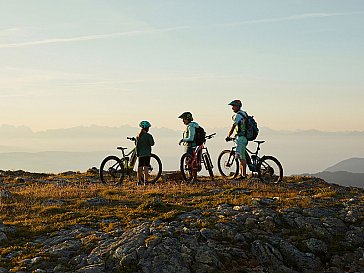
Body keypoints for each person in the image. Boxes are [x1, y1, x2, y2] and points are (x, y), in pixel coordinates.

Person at [226, 100, 248, 180]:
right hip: (243, 137)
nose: (232, 108)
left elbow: (233, 126)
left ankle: (243, 175)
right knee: (241, 156)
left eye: (233, 106)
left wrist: (228, 135)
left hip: (240, 138)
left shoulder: (238, 115)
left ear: (238, 106)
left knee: (241, 157)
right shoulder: (243, 113)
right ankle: (242, 174)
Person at [136, 120, 155, 185]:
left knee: (140, 167)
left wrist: (137, 153)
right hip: (147, 154)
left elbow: (136, 146)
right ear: (147, 128)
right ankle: (146, 181)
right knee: (146, 167)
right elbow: (152, 143)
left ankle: (139, 181)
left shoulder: (138, 136)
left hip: (140, 154)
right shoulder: (148, 136)